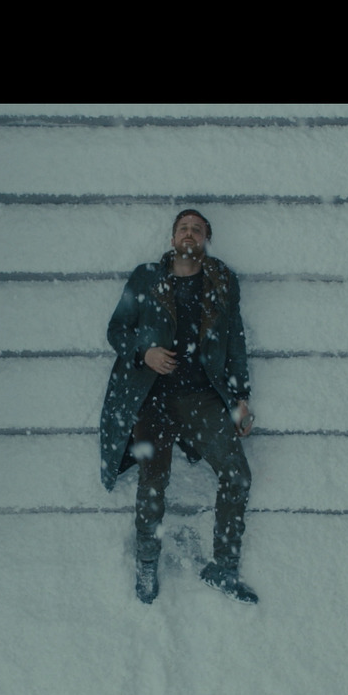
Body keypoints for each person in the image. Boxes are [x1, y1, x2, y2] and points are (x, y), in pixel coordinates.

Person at [99, 210, 256, 605]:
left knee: (237, 475)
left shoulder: (222, 282)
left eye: (197, 229)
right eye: (183, 227)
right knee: (153, 482)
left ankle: (222, 567)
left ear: (206, 238)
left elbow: (235, 343)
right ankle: (147, 563)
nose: (190, 233)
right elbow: (117, 330)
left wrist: (240, 400)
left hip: (201, 398)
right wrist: (145, 352)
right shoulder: (147, 277)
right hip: (151, 396)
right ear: (173, 237)